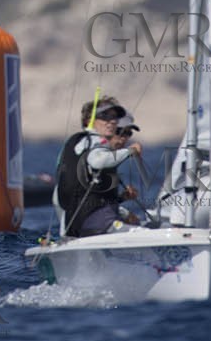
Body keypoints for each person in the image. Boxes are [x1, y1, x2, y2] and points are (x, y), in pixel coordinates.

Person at [52, 97, 145, 238]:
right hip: (96, 224)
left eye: (128, 133)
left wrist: (121, 200)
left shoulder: (80, 144)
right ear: (91, 121)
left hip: (85, 226)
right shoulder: (96, 143)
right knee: (143, 233)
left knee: (141, 227)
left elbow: (89, 196)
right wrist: (130, 151)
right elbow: (97, 161)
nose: (124, 138)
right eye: (121, 132)